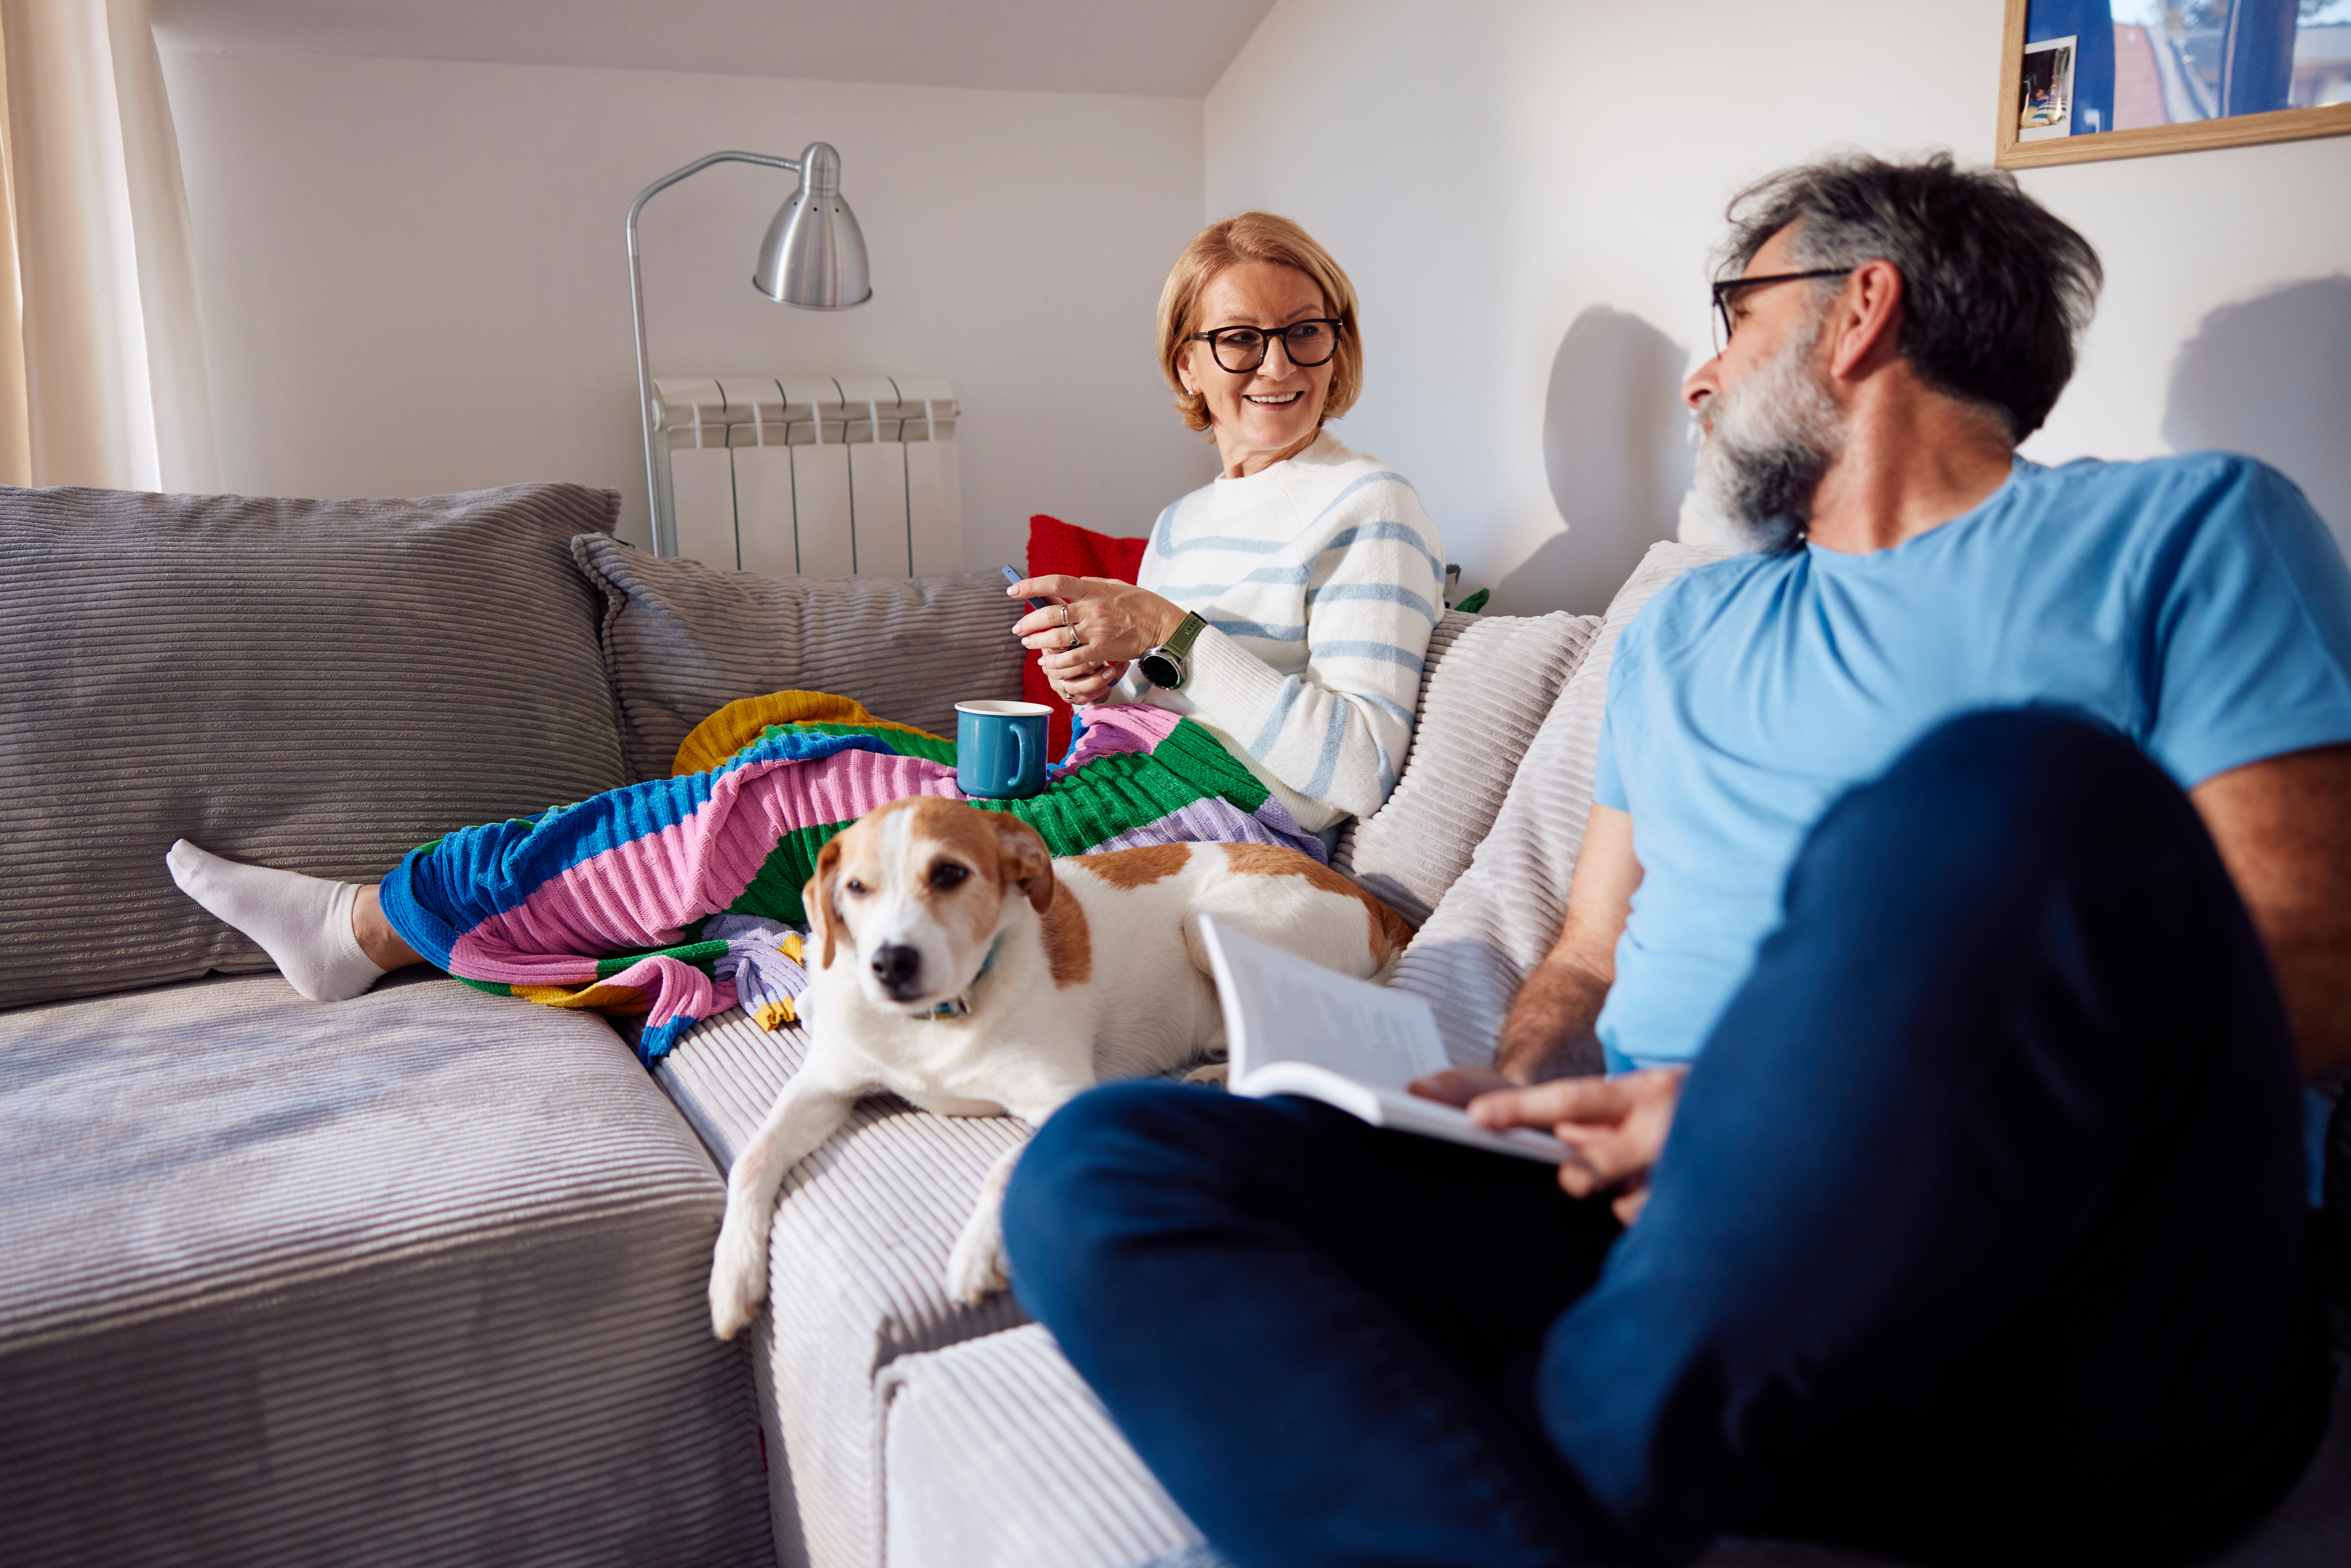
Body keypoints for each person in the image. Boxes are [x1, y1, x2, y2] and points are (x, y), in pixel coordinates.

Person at [1001, 152, 2351, 1567]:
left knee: (2004, 783)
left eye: (1732, 322)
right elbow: (1584, 956)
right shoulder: (1685, 632)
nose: (1700, 383)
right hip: (1664, 1238)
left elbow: (2305, 976)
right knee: (1107, 1169)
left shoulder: (2182, 530)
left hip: (2064, 1286)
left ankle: (1581, 1429)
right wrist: (1516, 1095)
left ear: (1859, 311)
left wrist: (1765, 1121)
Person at [166, 214, 1442, 1061]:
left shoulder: (1368, 503)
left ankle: (376, 921)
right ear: (1189, 359)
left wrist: (1167, 627)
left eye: (1305, 329)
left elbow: (1350, 768)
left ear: (1340, 338)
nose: (1277, 363)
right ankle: (388, 916)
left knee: (789, 819)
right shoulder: (1186, 515)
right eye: (1240, 336)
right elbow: (1185, 680)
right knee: (786, 769)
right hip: (1113, 770)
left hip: (1221, 825)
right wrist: (1115, 668)